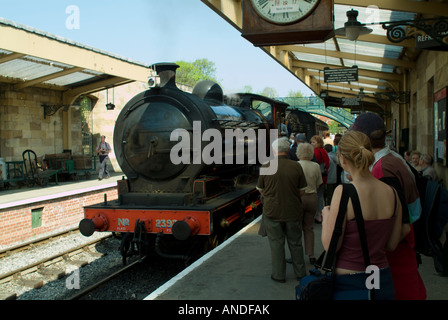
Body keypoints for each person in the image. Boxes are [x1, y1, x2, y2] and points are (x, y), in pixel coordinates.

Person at [351, 112, 426, 300]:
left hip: (394, 252)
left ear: (362, 139)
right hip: (401, 246)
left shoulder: (382, 170)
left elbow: (397, 219)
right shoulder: (394, 158)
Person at [321, 131, 402, 300]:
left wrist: (326, 216)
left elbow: (331, 246)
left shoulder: (344, 192)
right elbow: (392, 244)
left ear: (342, 158)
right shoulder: (392, 193)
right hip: (382, 280)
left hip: (349, 283)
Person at [256, 137, 308, 282]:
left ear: (274, 151)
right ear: (287, 150)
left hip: (272, 211)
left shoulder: (266, 166)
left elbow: (261, 190)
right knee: (296, 243)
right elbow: (302, 190)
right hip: (293, 210)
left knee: (276, 243)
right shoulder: (296, 166)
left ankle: (278, 275)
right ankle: (300, 273)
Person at [296, 142, 322, 265]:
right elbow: (318, 184)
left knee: (296, 228)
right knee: (309, 227)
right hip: (312, 197)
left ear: (298, 153)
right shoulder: (316, 166)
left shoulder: (296, 165)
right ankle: (311, 254)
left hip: (298, 199)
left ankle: (297, 255)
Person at [311, 135, 329, 223]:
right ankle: (320, 214)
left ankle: (316, 215)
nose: (312, 144)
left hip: (316, 178)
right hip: (324, 177)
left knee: (315, 196)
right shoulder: (324, 152)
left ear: (318, 143)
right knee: (320, 196)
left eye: (313, 142)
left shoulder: (315, 152)